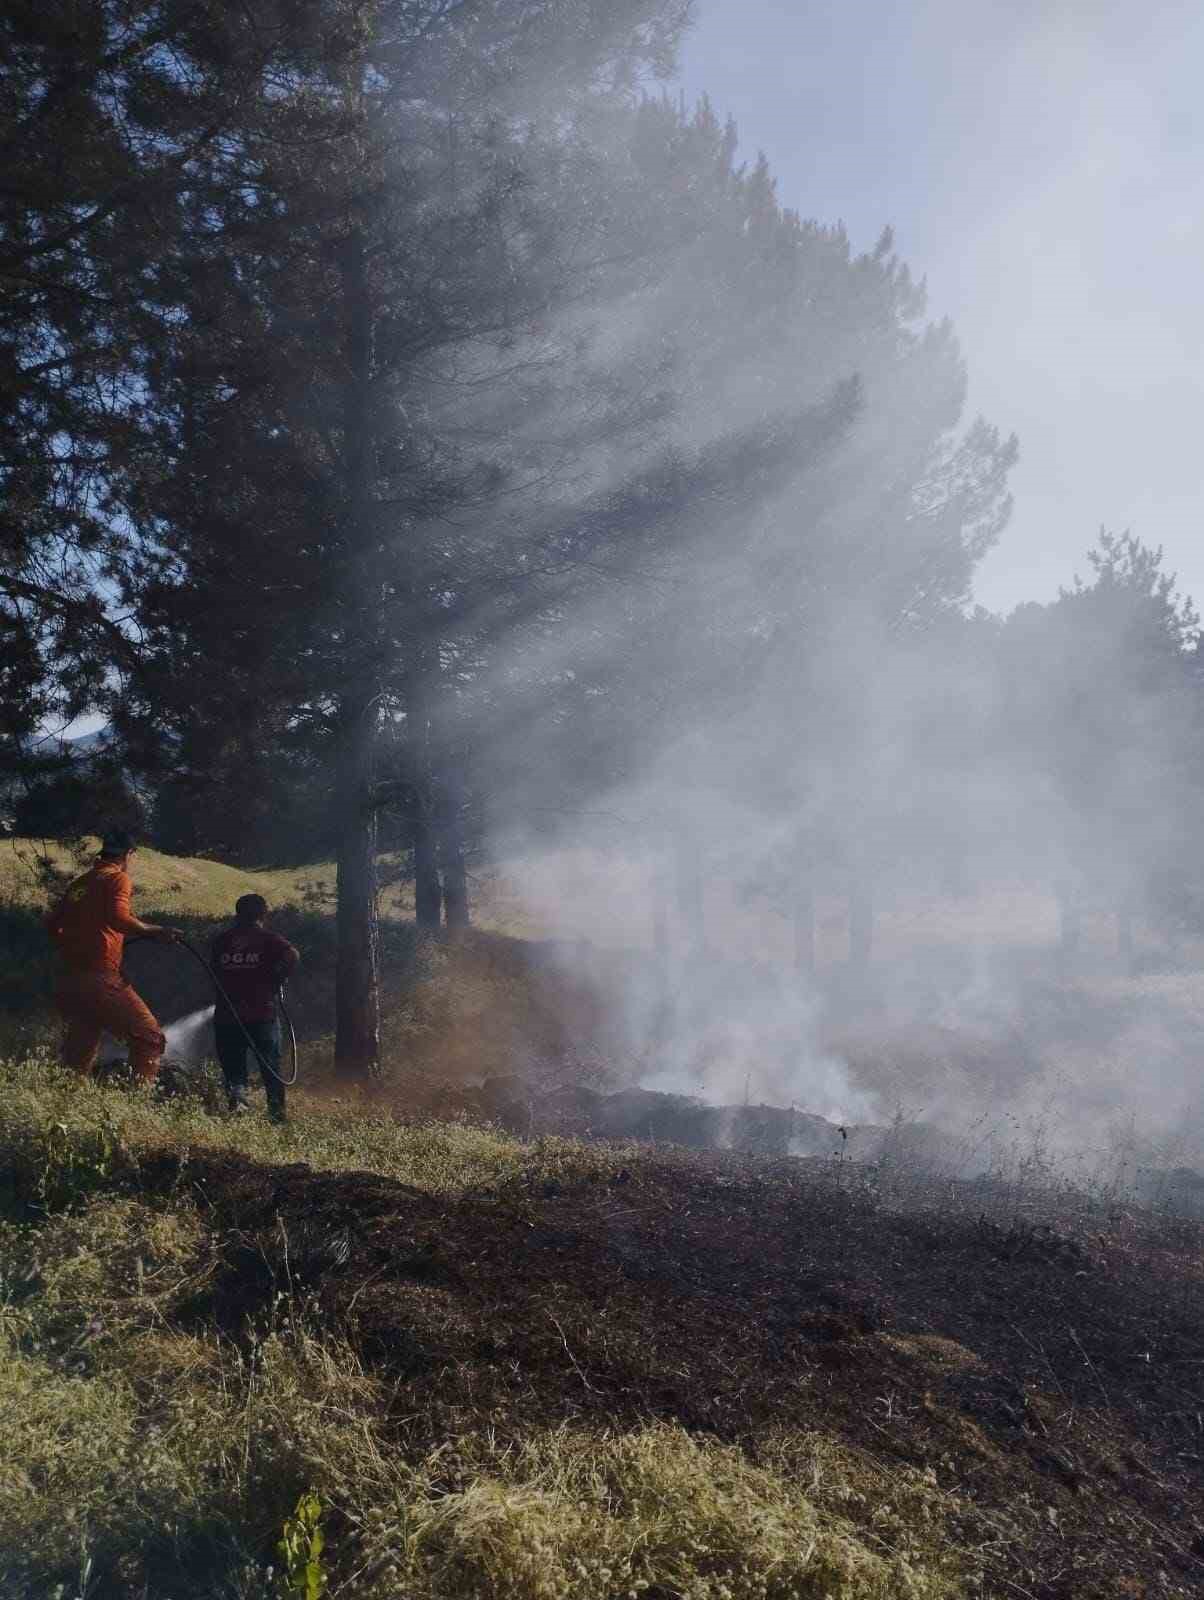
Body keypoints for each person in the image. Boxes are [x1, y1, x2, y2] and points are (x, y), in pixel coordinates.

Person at [44, 828, 182, 1086]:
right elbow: (118, 918)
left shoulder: (81, 883)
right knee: (150, 1037)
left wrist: (79, 947)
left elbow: (53, 925)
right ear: (128, 854)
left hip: (71, 979)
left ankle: (64, 1103)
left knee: (81, 1048)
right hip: (99, 976)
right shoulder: (117, 878)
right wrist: (157, 931)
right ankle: (137, 1105)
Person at [209, 894, 300, 1122]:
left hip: (227, 1016)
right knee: (270, 1068)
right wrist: (277, 977)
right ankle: (276, 1118)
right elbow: (293, 955)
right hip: (262, 1015)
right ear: (263, 914)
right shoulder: (268, 939)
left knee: (234, 1071)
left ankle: (238, 1114)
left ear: (237, 914)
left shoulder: (222, 941)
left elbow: (214, 974)